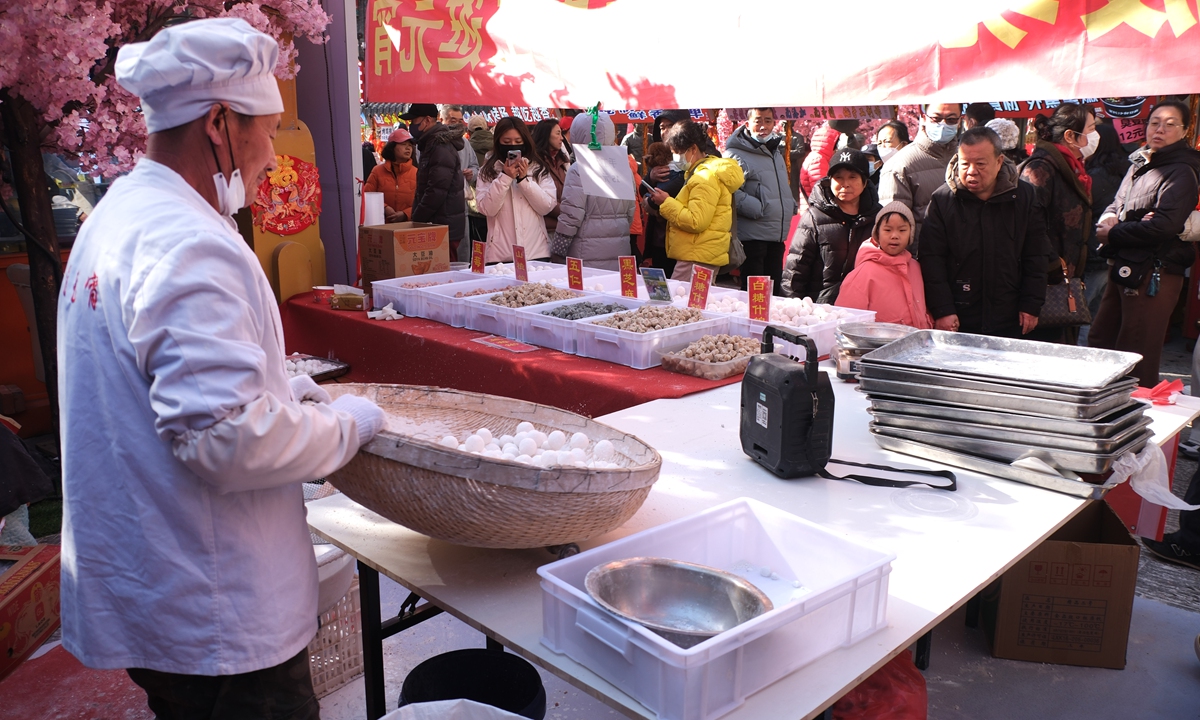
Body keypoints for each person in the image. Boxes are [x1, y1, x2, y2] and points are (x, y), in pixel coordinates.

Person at [59, 19, 385, 718]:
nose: (271, 157)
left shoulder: (121, 214)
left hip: (156, 583)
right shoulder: (186, 243)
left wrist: (288, 390)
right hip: (214, 613)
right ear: (219, 124)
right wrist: (346, 429)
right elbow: (225, 438)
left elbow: (161, 381)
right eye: (266, 132)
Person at [1089, 99, 1200, 386]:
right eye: (1154, 122)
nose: (1160, 129)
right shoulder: (1141, 162)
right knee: (1102, 340)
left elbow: (1163, 226)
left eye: (1170, 124)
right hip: (1125, 264)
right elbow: (1118, 202)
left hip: (1155, 271)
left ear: (1185, 131)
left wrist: (1113, 233)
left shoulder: (1181, 171)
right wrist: (1109, 218)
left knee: (1136, 352)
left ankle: (1136, 419)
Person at [920, 127, 1050, 337]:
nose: (971, 171)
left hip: (1010, 311)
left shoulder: (1023, 196)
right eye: (965, 164)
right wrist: (943, 309)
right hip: (960, 314)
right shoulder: (943, 200)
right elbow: (931, 259)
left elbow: (1036, 254)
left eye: (980, 164)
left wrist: (1031, 304)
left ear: (999, 162)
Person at [1019, 103, 1097, 344]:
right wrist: (1054, 265)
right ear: (1070, 136)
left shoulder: (1073, 168)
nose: (1095, 136)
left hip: (1065, 280)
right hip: (1044, 282)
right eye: (1092, 129)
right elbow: (1030, 225)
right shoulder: (1041, 169)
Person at [648, 119, 745, 280]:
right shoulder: (708, 169)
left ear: (693, 149)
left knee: (682, 301)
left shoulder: (703, 177)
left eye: (677, 152)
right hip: (702, 253)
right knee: (696, 302)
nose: (675, 158)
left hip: (696, 255)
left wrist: (666, 202)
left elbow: (696, 221)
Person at [783, 148, 881, 302]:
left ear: (865, 182)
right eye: (838, 177)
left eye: (853, 177)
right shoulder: (814, 217)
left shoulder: (878, 218)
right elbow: (796, 269)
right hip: (820, 308)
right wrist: (794, 307)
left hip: (864, 306)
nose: (845, 184)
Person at [723, 107, 796, 293]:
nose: (763, 126)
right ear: (747, 124)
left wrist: (789, 203)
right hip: (753, 235)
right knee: (755, 291)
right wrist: (756, 207)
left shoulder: (774, 152)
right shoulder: (735, 154)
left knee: (773, 291)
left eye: (768, 120)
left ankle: (769, 322)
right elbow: (729, 190)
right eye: (758, 121)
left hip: (775, 234)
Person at [552, 112, 635, 270]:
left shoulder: (579, 168)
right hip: (620, 252)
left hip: (585, 256)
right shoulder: (624, 168)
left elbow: (570, 217)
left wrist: (558, 251)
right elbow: (630, 213)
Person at [835, 201, 933, 328]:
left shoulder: (915, 267)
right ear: (877, 234)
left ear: (911, 234)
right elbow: (846, 324)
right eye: (887, 230)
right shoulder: (864, 273)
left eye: (902, 230)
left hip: (915, 344)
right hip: (877, 346)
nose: (894, 236)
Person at [474, 117, 558, 262]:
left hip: (536, 253)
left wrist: (524, 180)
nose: (512, 146)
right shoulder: (487, 172)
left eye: (518, 142)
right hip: (500, 255)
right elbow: (487, 209)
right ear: (498, 142)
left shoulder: (538, 169)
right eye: (507, 142)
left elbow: (546, 207)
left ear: (526, 141)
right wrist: (505, 177)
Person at [879, 103, 962, 250]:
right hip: (920, 259)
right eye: (936, 118)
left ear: (960, 120)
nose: (943, 125)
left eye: (951, 119)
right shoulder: (899, 165)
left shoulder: (966, 158)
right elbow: (893, 227)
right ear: (923, 117)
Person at [1081, 122, 1132, 334]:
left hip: (1094, 252)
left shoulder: (1095, 176)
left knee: (1082, 314)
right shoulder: (1126, 172)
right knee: (1098, 317)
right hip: (1112, 251)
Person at [405, 103, 467, 258]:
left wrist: (417, 218)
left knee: (444, 273)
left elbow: (436, 190)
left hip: (442, 227)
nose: (411, 125)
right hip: (439, 224)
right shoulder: (430, 144)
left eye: (413, 121)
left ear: (427, 120)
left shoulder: (440, 146)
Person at [363, 127, 417, 223]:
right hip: (382, 225)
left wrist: (406, 214)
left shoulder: (417, 173)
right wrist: (384, 207)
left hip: (408, 227)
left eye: (410, 145)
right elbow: (367, 194)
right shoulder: (377, 171)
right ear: (392, 147)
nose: (408, 148)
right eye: (403, 144)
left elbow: (423, 201)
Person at [642, 142, 677, 275]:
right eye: (662, 127)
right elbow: (641, 189)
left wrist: (649, 200)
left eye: (667, 126)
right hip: (658, 236)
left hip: (674, 237)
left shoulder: (679, 171)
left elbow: (652, 201)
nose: (664, 131)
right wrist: (650, 178)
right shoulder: (656, 171)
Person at [801, 119, 859, 198]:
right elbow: (822, 189)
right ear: (832, 142)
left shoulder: (817, 157)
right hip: (818, 207)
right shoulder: (818, 160)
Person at [532, 118, 570, 239]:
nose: (562, 138)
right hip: (545, 229)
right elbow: (542, 200)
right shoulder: (534, 164)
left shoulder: (562, 161)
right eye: (558, 133)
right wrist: (569, 212)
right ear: (546, 135)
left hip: (565, 226)